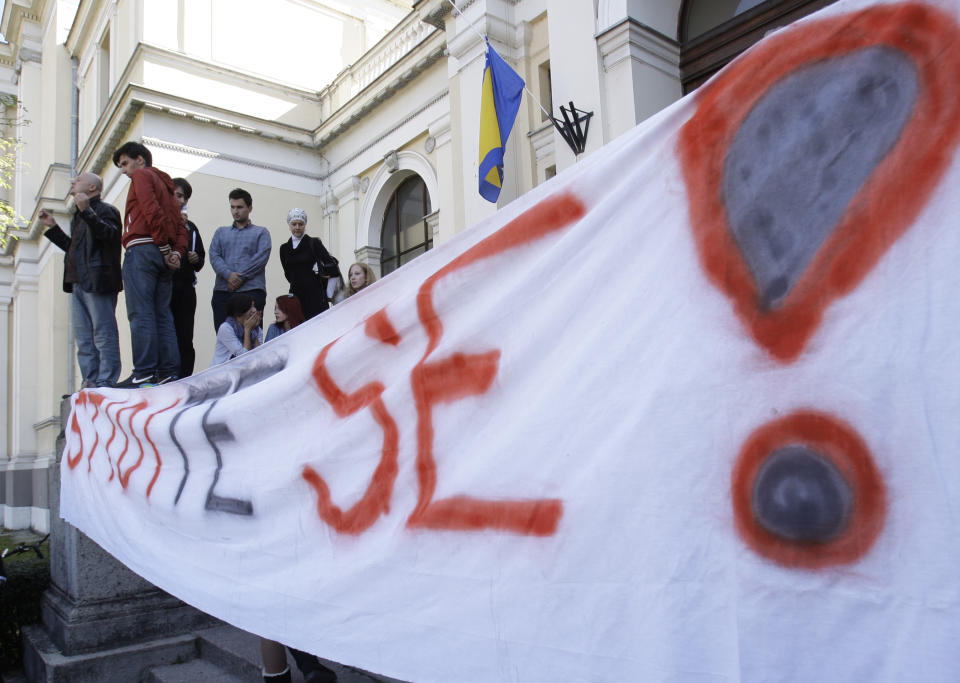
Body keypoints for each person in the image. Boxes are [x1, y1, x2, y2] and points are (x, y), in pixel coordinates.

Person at [112, 141, 187, 388]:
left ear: (140, 160)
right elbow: (180, 225)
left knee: (140, 313)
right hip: (161, 256)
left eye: (125, 163)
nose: (123, 170)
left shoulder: (142, 176)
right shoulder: (169, 189)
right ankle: (167, 373)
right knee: (162, 314)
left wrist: (165, 247)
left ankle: (144, 373)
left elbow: (150, 209)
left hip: (142, 251)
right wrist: (175, 252)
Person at [39, 172, 123, 389]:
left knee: (103, 334)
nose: (72, 183)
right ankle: (90, 380)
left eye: (78, 180)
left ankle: (106, 380)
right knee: (84, 337)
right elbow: (74, 250)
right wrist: (53, 228)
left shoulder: (106, 210)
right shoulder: (79, 216)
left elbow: (111, 236)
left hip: (98, 281)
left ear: (92, 188)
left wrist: (87, 211)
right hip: (78, 282)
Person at [209, 188, 270, 331]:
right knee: (225, 340)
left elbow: (260, 258)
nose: (235, 211)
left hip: (252, 291)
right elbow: (214, 255)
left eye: (240, 207)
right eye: (232, 207)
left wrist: (239, 277)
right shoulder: (220, 232)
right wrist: (228, 275)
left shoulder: (261, 232)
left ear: (250, 208)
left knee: (251, 339)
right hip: (223, 291)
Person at [170, 177, 205, 377]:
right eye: (177, 195)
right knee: (166, 333)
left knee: (184, 336)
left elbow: (200, 260)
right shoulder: (162, 222)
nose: (180, 200)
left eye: (183, 197)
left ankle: (184, 376)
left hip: (185, 289)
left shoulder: (191, 228)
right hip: (166, 287)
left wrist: (195, 258)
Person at [278, 208, 341, 320]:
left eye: (300, 224)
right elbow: (288, 274)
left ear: (305, 225)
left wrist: (328, 295)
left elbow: (333, 269)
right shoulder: (284, 248)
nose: (297, 227)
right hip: (295, 297)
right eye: (294, 224)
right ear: (289, 225)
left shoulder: (314, 243)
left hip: (315, 297)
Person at [210, 293, 262, 366]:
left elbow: (259, 356)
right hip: (223, 372)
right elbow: (244, 358)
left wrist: (254, 332)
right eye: (250, 307)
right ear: (239, 312)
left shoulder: (256, 329)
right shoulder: (226, 328)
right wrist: (247, 330)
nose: (254, 310)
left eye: (254, 306)